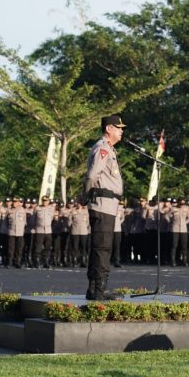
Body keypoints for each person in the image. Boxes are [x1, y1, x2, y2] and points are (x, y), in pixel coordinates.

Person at [83, 115, 126, 300]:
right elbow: (93, 175)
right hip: (103, 204)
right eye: (118, 127)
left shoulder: (108, 149)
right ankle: (100, 290)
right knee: (102, 248)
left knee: (100, 247)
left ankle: (94, 288)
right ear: (109, 129)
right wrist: (86, 195)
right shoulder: (103, 148)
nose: (121, 131)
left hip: (107, 204)